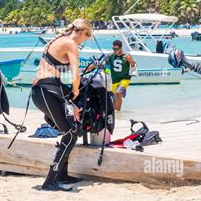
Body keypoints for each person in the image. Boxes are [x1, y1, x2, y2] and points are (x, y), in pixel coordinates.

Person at [31, 18, 93, 191]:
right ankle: (50, 181)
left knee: (73, 130)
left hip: (46, 91)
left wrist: (69, 97)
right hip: (46, 91)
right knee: (70, 132)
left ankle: (62, 176)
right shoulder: (70, 43)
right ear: (83, 33)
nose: (82, 44)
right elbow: (75, 75)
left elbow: (53, 70)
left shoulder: (56, 40)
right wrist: (76, 92)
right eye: (85, 39)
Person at [105, 40, 136, 111]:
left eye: (116, 49)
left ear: (121, 48)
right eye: (113, 49)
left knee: (118, 93)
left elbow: (134, 65)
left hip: (125, 79)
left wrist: (130, 60)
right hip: (114, 80)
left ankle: (118, 111)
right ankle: (116, 114)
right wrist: (88, 68)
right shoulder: (110, 55)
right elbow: (100, 64)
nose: (114, 51)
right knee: (113, 98)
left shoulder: (127, 55)